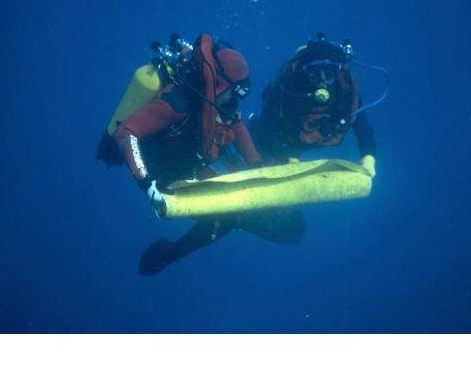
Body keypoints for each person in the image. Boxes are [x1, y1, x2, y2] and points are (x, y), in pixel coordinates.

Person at [113, 32, 304, 274]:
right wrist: (145, 181)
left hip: (190, 161)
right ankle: (169, 253)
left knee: (231, 209)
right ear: (221, 85)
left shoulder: (219, 102)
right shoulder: (176, 103)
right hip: (162, 170)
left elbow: (236, 127)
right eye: (233, 92)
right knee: (227, 218)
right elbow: (125, 132)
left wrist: (257, 165)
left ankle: (243, 220)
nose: (234, 100)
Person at [254, 34, 377, 177]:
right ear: (305, 71)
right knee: (261, 145)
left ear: (337, 70)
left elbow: (363, 128)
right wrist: (289, 157)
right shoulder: (287, 85)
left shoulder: (345, 88)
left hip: (317, 136)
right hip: (286, 141)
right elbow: (266, 130)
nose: (322, 80)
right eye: (315, 73)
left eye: (329, 72)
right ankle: (252, 126)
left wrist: (368, 158)